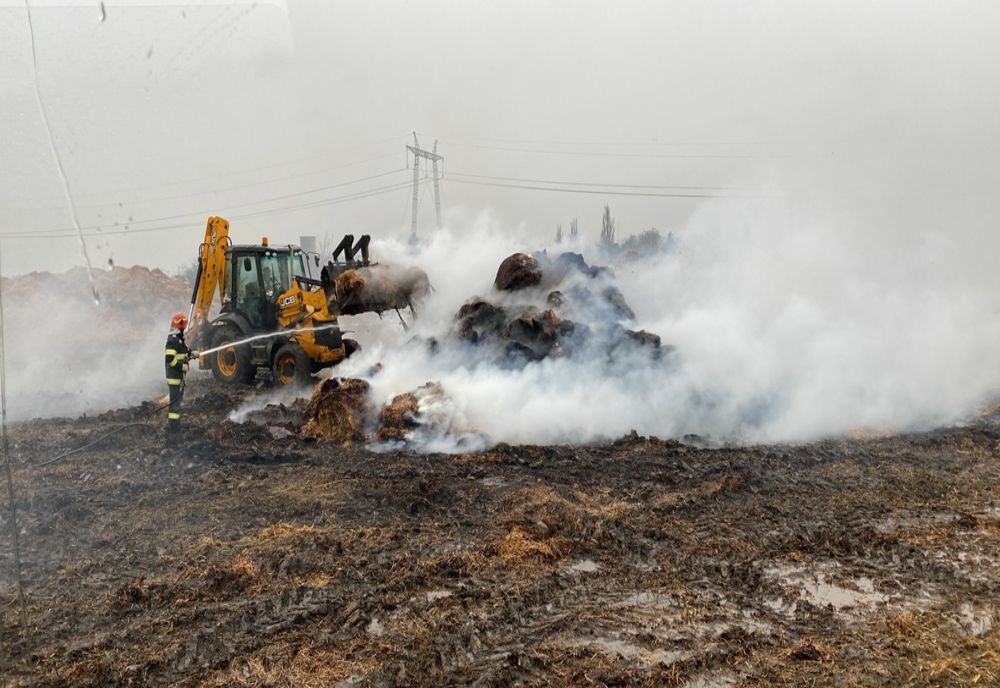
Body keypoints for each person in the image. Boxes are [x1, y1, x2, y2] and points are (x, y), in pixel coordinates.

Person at [164, 312, 197, 434]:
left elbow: (183, 351)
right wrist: (181, 367)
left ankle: (176, 425)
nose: (186, 328)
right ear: (180, 327)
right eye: (184, 326)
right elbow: (170, 359)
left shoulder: (178, 340)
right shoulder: (173, 341)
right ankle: (174, 428)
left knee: (177, 403)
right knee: (174, 404)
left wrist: (192, 353)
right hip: (174, 378)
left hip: (179, 378)